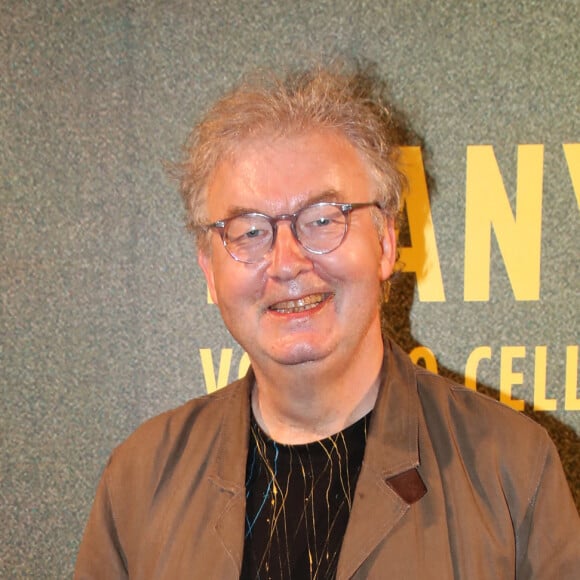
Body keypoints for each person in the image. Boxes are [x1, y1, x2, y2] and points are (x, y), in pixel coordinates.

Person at [75, 66, 580, 579]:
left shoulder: (511, 469)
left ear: (385, 242)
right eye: (249, 232)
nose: (287, 261)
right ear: (209, 270)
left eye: (321, 220)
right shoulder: (140, 480)